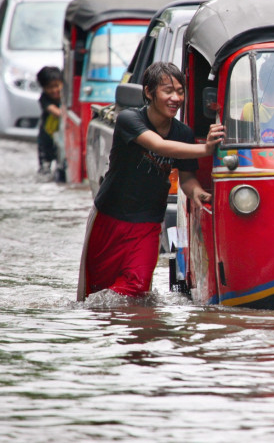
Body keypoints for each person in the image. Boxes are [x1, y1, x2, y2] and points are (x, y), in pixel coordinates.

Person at [78, 62, 224, 300]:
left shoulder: (183, 134)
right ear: (149, 92)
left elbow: (187, 179)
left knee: (137, 288)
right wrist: (206, 149)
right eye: (168, 91)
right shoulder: (128, 119)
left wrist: (196, 192)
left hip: (147, 222)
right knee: (95, 296)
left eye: (180, 91)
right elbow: (158, 145)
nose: (175, 98)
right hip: (109, 217)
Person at [36, 66, 63, 176]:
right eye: (49, 87)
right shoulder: (44, 99)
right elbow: (57, 112)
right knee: (45, 169)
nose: (54, 90)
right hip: (46, 139)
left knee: (60, 169)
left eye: (56, 86)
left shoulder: (66, 95)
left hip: (60, 139)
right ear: (43, 88)